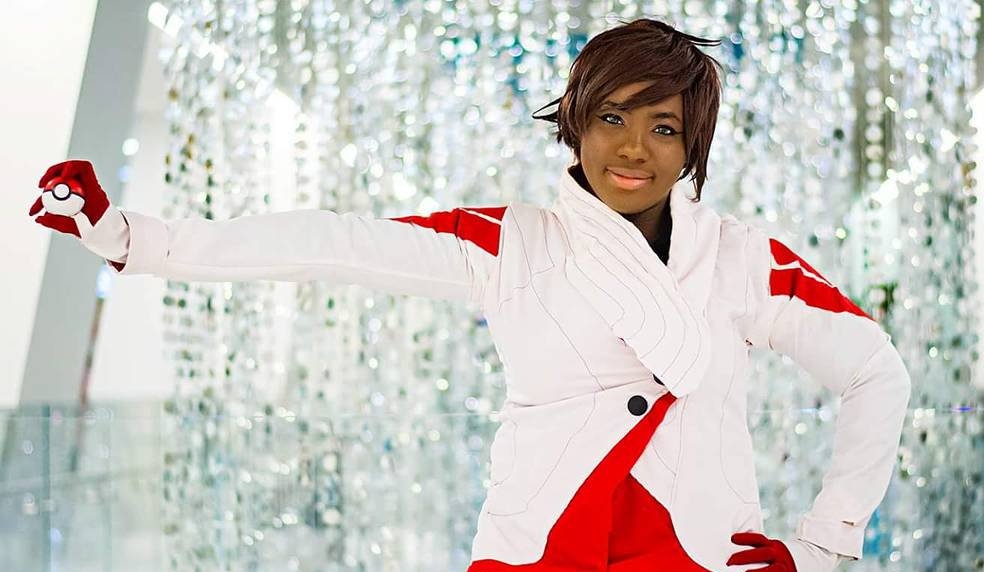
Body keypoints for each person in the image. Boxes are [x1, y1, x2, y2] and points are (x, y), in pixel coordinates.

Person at [30, 17, 911, 572]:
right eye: (612, 116)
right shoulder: (511, 242)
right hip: (536, 553)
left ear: (692, 148)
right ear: (576, 121)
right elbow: (332, 242)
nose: (633, 148)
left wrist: (824, 541)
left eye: (664, 126)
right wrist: (135, 238)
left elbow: (877, 371)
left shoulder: (744, 260)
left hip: (702, 555)